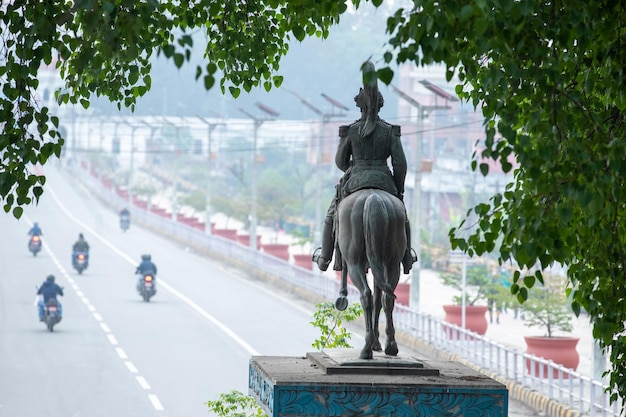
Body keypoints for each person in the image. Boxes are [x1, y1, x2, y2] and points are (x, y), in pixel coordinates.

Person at [312, 61, 416, 274]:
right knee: (401, 215)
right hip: (384, 181)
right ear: (380, 105)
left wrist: (354, 166)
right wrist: (399, 188)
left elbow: (341, 162)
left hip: (356, 180)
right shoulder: (389, 131)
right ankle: (406, 256)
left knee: (332, 214)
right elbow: (400, 164)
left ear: (360, 106)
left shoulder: (350, 131)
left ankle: (325, 257)